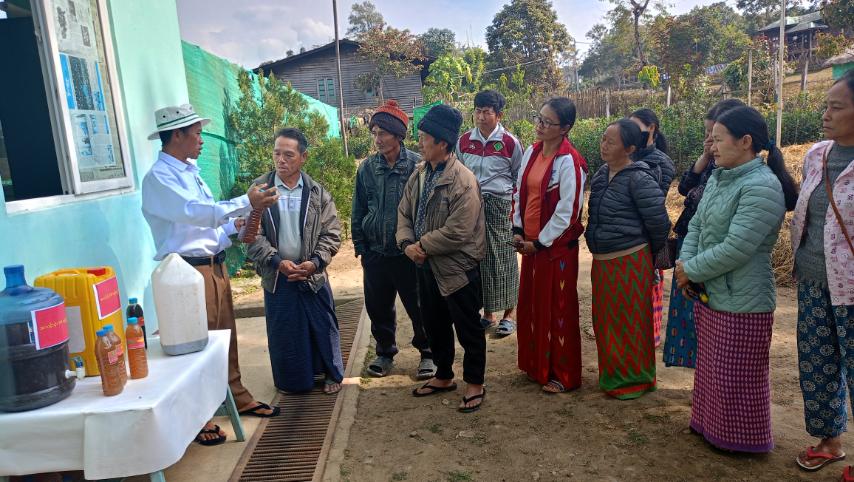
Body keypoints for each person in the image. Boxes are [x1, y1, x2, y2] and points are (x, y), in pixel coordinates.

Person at [141, 103, 281, 446]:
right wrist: (246, 202)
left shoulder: (190, 172)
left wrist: (235, 224)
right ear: (177, 135)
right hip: (185, 272)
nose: (201, 140)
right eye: (197, 133)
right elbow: (195, 213)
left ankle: (235, 395)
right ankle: (198, 417)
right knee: (195, 345)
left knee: (223, 338)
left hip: (212, 265)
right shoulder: (159, 178)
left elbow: (207, 225)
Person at [676, 105, 797, 453]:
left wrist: (690, 270)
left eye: (718, 140)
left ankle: (741, 441)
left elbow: (737, 248)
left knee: (736, 377)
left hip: (744, 299)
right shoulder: (720, 177)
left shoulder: (762, 186)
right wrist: (686, 264)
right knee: (712, 370)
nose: (711, 147)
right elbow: (696, 226)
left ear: (745, 141)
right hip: (713, 290)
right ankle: (709, 426)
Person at [397, 104, 488, 413]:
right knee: (434, 323)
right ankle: (444, 375)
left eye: (425, 137)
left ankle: (475, 383)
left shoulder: (463, 180)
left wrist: (421, 245)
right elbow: (404, 213)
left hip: (457, 268)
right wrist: (406, 244)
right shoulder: (420, 173)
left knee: (468, 328)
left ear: (442, 143)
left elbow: (459, 231)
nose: (420, 142)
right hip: (425, 265)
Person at [245, 128, 344, 395]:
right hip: (277, 275)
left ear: (303, 157)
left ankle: (331, 373)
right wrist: (277, 262)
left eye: (288, 155)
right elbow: (251, 235)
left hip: (312, 273)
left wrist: (315, 262)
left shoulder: (316, 192)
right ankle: (294, 381)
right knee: (286, 331)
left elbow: (332, 233)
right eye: (277, 153)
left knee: (322, 325)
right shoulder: (260, 190)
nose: (281, 160)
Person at [792, 70, 854, 477]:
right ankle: (829, 441)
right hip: (814, 280)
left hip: (852, 290)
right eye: (826, 106)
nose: (826, 115)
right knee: (818, 363)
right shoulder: (817, 154)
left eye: (837, 107)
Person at [585, 118, 671, 400]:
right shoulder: (601, 174)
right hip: (603, 261)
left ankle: (636, 380)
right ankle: (612, 377)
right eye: (603, 139)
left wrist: (648, 255)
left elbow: (659, 223)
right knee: (606, 321)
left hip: (629, 260)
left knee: (631, 321)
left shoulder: (639, 178)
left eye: (611, 141)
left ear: (630, 148)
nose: (604, 145)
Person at [352, 100, 435, 380]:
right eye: (374, 133)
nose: (377, 139)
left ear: (398, 135)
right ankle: (384, 352)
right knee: (378, 306)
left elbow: (425, 209)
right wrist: (361, 245)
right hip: (375, 251)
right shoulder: (366, 168)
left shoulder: (417, 166)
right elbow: (359, 208)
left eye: (383, 133)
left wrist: (422, 245)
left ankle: (428, 353)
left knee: (419, 305)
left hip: (408, 253)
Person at [512, 97, 587, 394]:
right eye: (539, 118)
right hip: (530, 247)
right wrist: (518, 230)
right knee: (532, 308)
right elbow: (519, 193)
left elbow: (568, 212)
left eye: (547, 122)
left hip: (555, 251)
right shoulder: (531, 152)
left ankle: (563, 374)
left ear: (565, 128)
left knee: (558, 310)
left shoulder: (570, 162)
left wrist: (541, 243)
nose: (539, 125)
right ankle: (536, 366)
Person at [662, 98, 745, 369]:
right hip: (690, 241)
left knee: (706, 312)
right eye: (708, 133)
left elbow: (700, 199)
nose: (710, 139)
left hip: (710, 250)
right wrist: (705, 156)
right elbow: (685, 188)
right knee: (687, 306)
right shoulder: (713, 161)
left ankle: (705, 367)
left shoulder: (734, 172)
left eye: (715, 134)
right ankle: (695, 367)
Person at [457, 90, 524, 336]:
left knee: (504, 258)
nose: (481, 117)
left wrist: (513, 210)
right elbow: (458, 173)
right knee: (479, 260)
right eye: (478, 111)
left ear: (499, 115)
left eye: (487, 112)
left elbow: (519, 177)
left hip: (500, 207)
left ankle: (509, 315)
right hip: (472, 206)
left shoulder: (510, 142)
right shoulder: (464, 141)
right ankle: (488, 314)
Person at [629, 108, 675, 347]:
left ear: (651, 128)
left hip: (647, 234)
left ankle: (648, 338)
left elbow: (655, 202)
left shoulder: (662, 162)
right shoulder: (630, 155)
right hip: (630, 234)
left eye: (636, 128)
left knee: (649, 288)